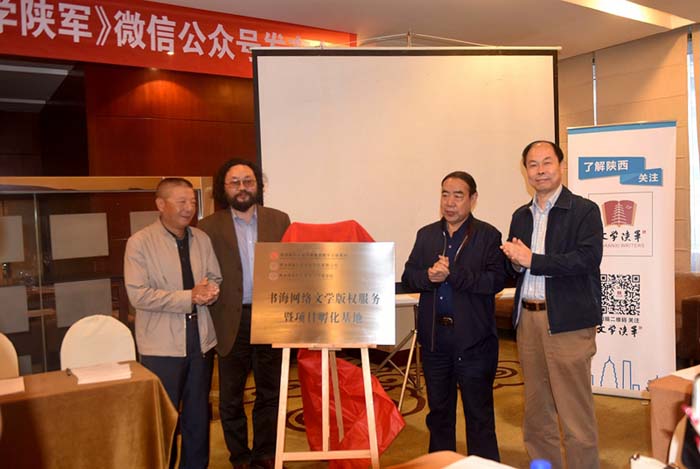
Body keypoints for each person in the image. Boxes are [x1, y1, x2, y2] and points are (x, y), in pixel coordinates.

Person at [501, 140, 603, 469]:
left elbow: (587, 259)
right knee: (536, 412)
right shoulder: (520, 215)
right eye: (533, 164)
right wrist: (515, 263)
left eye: (547, 162)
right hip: (528, 320)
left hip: (568, 322)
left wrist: (533, 259)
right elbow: (516, 268)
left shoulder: (584, 211)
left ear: (561, 166)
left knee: (574, 413)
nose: (540, 170)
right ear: (525, 171)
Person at [401, 171, 506, 461]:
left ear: (473, 199)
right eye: (445, 194)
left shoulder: (488, 235)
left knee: (479, 416)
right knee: (439, 415)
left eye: (458, 195)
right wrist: (428, 276)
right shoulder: (426, 235)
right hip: (436, 342)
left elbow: (495, 281)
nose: (450, 202)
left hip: (474, 342)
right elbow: (408, 276)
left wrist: (453, 274)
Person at [198, 159, 291, 469]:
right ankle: (239, 457)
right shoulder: (208, 227)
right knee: (231, 397)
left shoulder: (279, 220)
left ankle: (264, 454)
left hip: (270, 316)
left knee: (270, 392)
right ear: (223, 188)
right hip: (229, 320)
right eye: (234, 182)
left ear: (258, 186)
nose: (242, 188)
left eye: (248, 181)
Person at [124, 177, 222, 469]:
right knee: (163, 420)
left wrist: (211, 290)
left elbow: (214, 276)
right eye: (181, 202)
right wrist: (189, 296)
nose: (189, 208)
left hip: (200, 341)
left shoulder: (201, 239)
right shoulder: (140, 243)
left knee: (198, 417)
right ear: (160, 204)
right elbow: (138, 295)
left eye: (192, 202)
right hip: (161, 347)